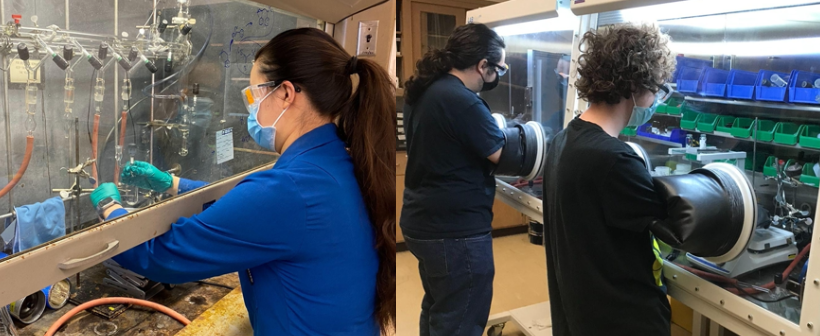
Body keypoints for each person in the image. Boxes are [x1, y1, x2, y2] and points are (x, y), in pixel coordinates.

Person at [89, 28, 396, 335]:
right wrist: (172, 184)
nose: (252, 107)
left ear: (286, 93)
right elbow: (245, 209)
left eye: (253, 94)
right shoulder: (335, 162)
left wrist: (108, 207)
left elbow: (161, 256)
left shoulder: (291, 190)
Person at [542, 23, 676, 336]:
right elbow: (675, 227)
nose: (656, 99)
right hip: (623, 321)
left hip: (580, 317)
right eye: (656, 88)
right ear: (635, 85)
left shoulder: (564, 141)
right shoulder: (614, 160)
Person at [400, 23, 507, 336]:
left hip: (424, 222)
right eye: (498, 68)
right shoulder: (461, 100)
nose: (498, 76)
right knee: (461, 317)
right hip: (455, 232)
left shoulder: (426, 88)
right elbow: (501, 153)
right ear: (482, 65)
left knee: (438, 307)